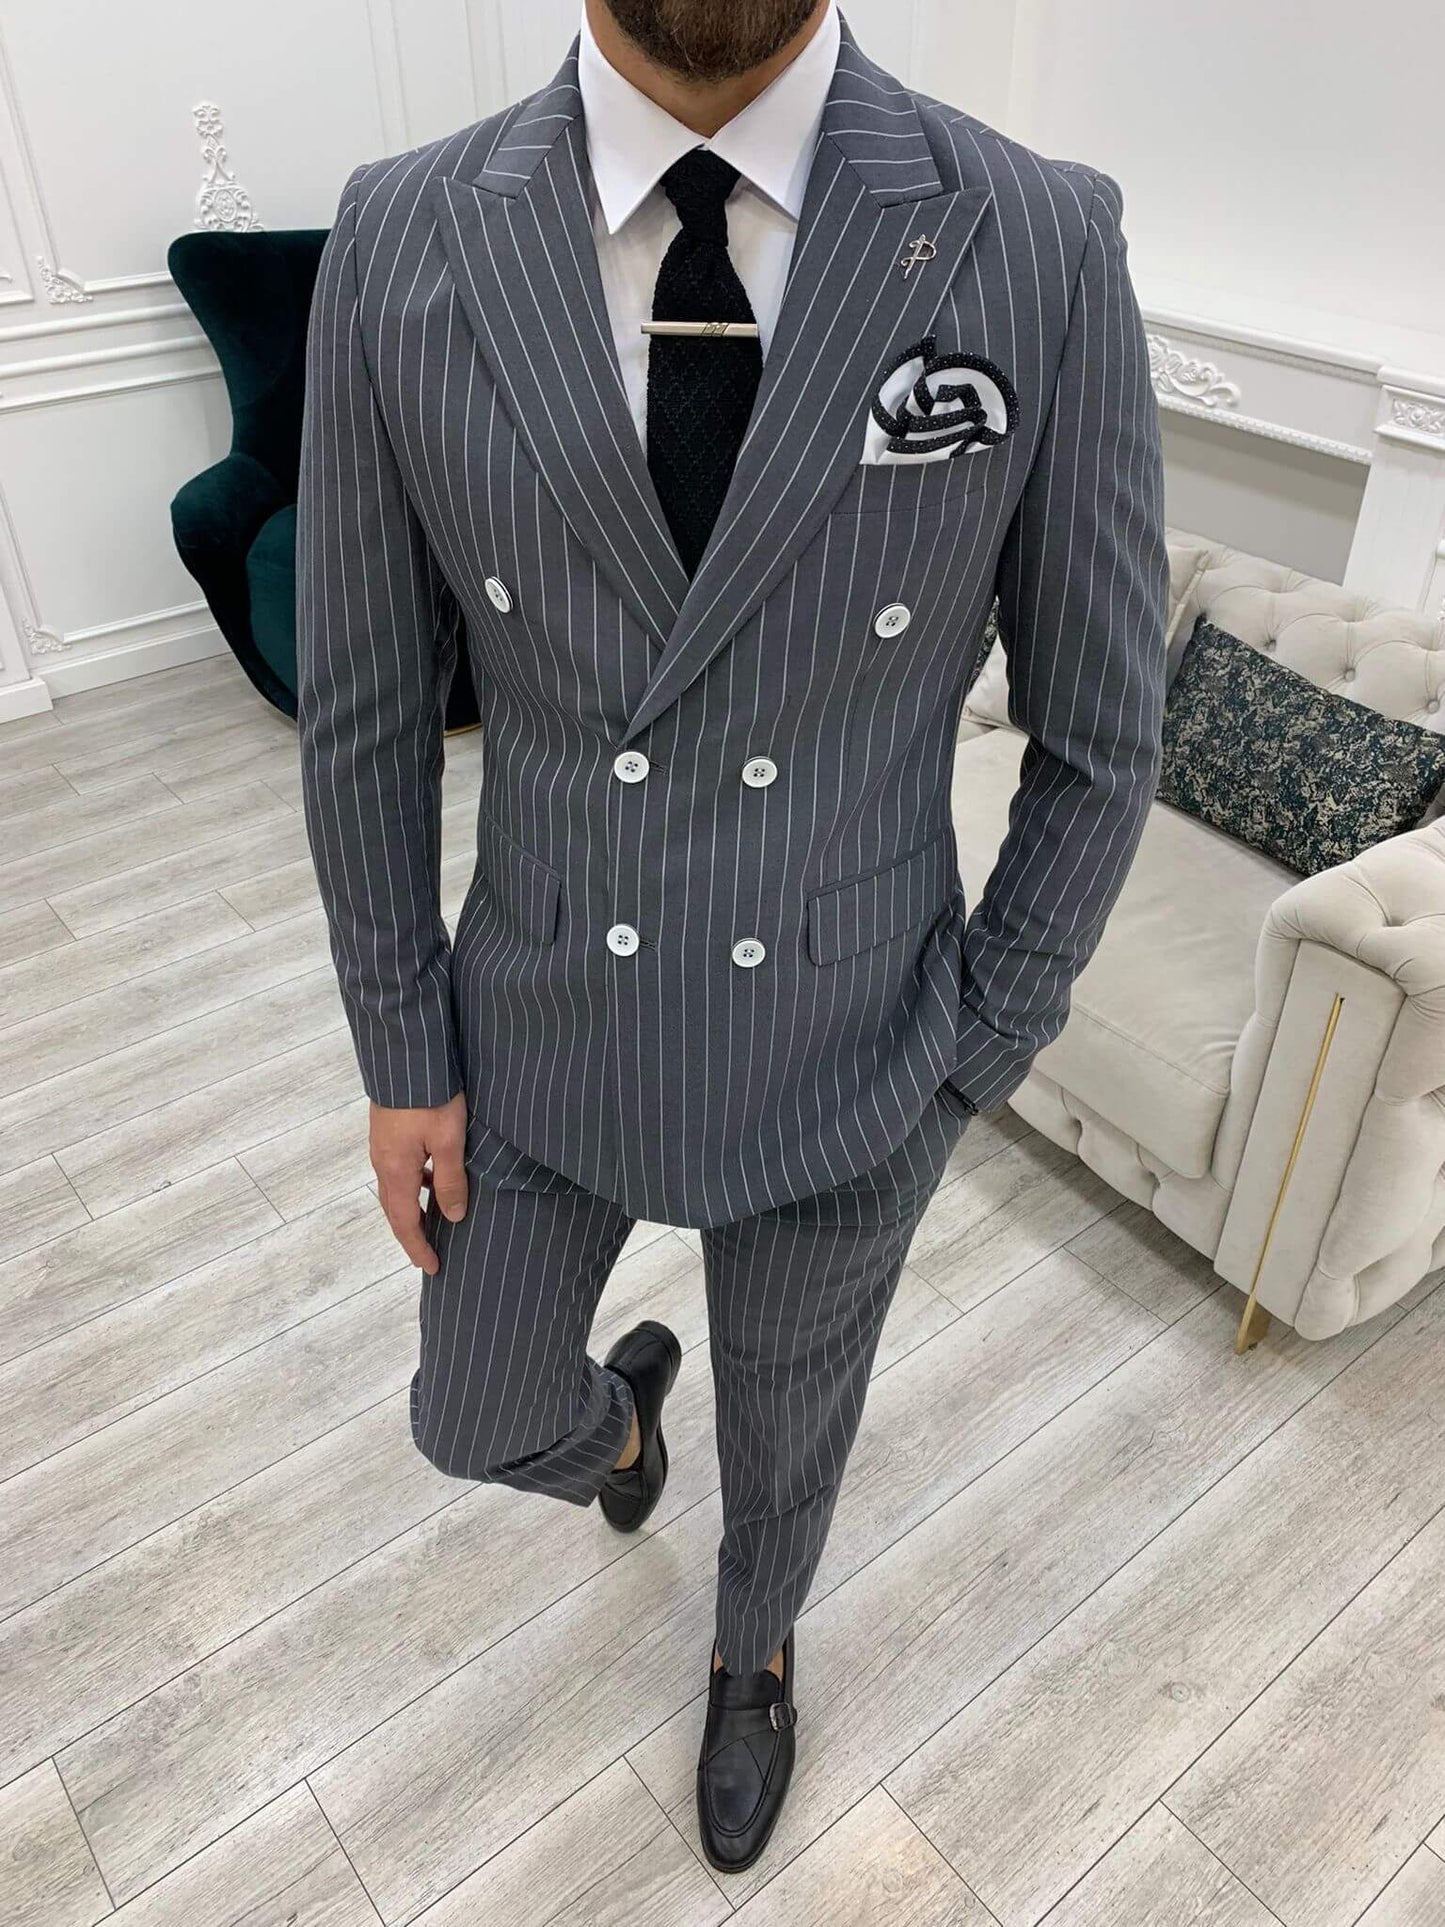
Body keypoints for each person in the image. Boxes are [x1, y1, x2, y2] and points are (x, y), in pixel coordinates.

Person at [295, 0, 1168, 1873]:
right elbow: (363, 711)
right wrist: (399, 1050)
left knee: (791, 1434)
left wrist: (978, 1045)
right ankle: (623, 1430)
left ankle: (751, 1649)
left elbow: (1103, 729)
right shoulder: (403, 231)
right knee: (468, 1414)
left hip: (850, 1032)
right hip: (540, 1012)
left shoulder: (1033, 233)